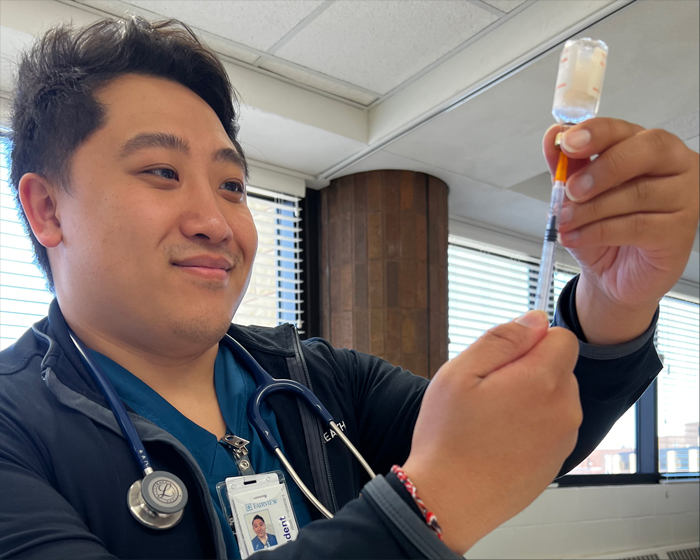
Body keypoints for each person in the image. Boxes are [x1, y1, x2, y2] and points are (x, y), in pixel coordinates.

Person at [0, 15, 697, 560]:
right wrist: (429, 502)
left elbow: (522, 437)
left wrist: (615, 298)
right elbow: (458, 476)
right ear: (47, 209)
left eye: (233, 185)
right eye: (160, 172)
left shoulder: (314, 379)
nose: (216, 221)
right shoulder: (15, 430)